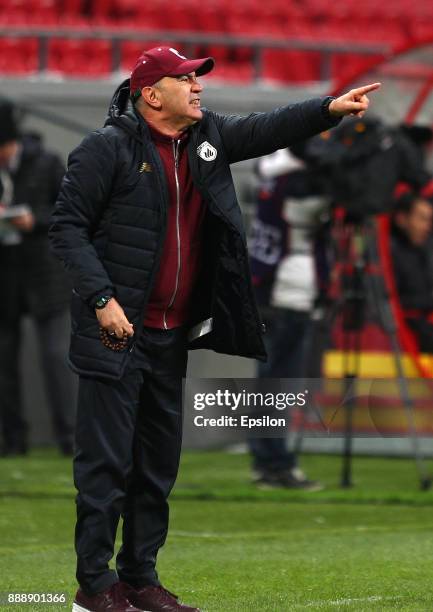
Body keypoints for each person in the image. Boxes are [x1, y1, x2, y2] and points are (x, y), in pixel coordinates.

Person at [49, 46, 380, 612]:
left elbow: (268, 128)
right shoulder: (105, 150)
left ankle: (141, 579)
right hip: (117, 332)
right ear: (152, 95)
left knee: (156, 466)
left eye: (197, 78)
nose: (198, 87)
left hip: (171, 334)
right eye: (185, 79)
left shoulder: (207, 141)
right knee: (107, 464)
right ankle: (94, 587)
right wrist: (103, 299)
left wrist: (328, 109)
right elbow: (67, 229)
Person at [248, 146, 327, 490]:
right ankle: (274, 462)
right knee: (279, 384)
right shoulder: (293, 181)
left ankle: (268, 460)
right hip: (285, 292)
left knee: (274, 383)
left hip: (277, 289)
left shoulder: (272, 171)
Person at [0, 98, 75, 456]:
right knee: (4, 365)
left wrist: (35, 219)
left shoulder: (46, 163)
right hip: (5, 279)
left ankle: (70, 439)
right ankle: (13, 442)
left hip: (46, 275)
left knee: (57, 359)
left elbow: (70, 210)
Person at [391, 193, 433, 352]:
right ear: (402, 219)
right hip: (406, 331)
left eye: (429, 220)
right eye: (422, 219)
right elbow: (393, 301)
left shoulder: (427, 250)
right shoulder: (388, 255)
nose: (427, 226)